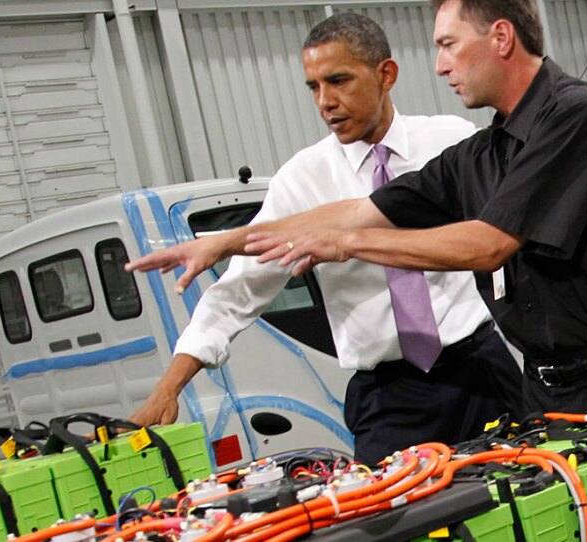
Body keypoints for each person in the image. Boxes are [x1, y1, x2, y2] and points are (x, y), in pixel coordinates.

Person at [127, 12, 523, 464]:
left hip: (483, 372)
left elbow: (507, 237)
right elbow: (239, 291)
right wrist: (169, 387)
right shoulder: (302, 181)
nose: (325, 102)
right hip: (391, 401)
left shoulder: (451, 142)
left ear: (386, 74)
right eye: (314, 87)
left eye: (338, 81)